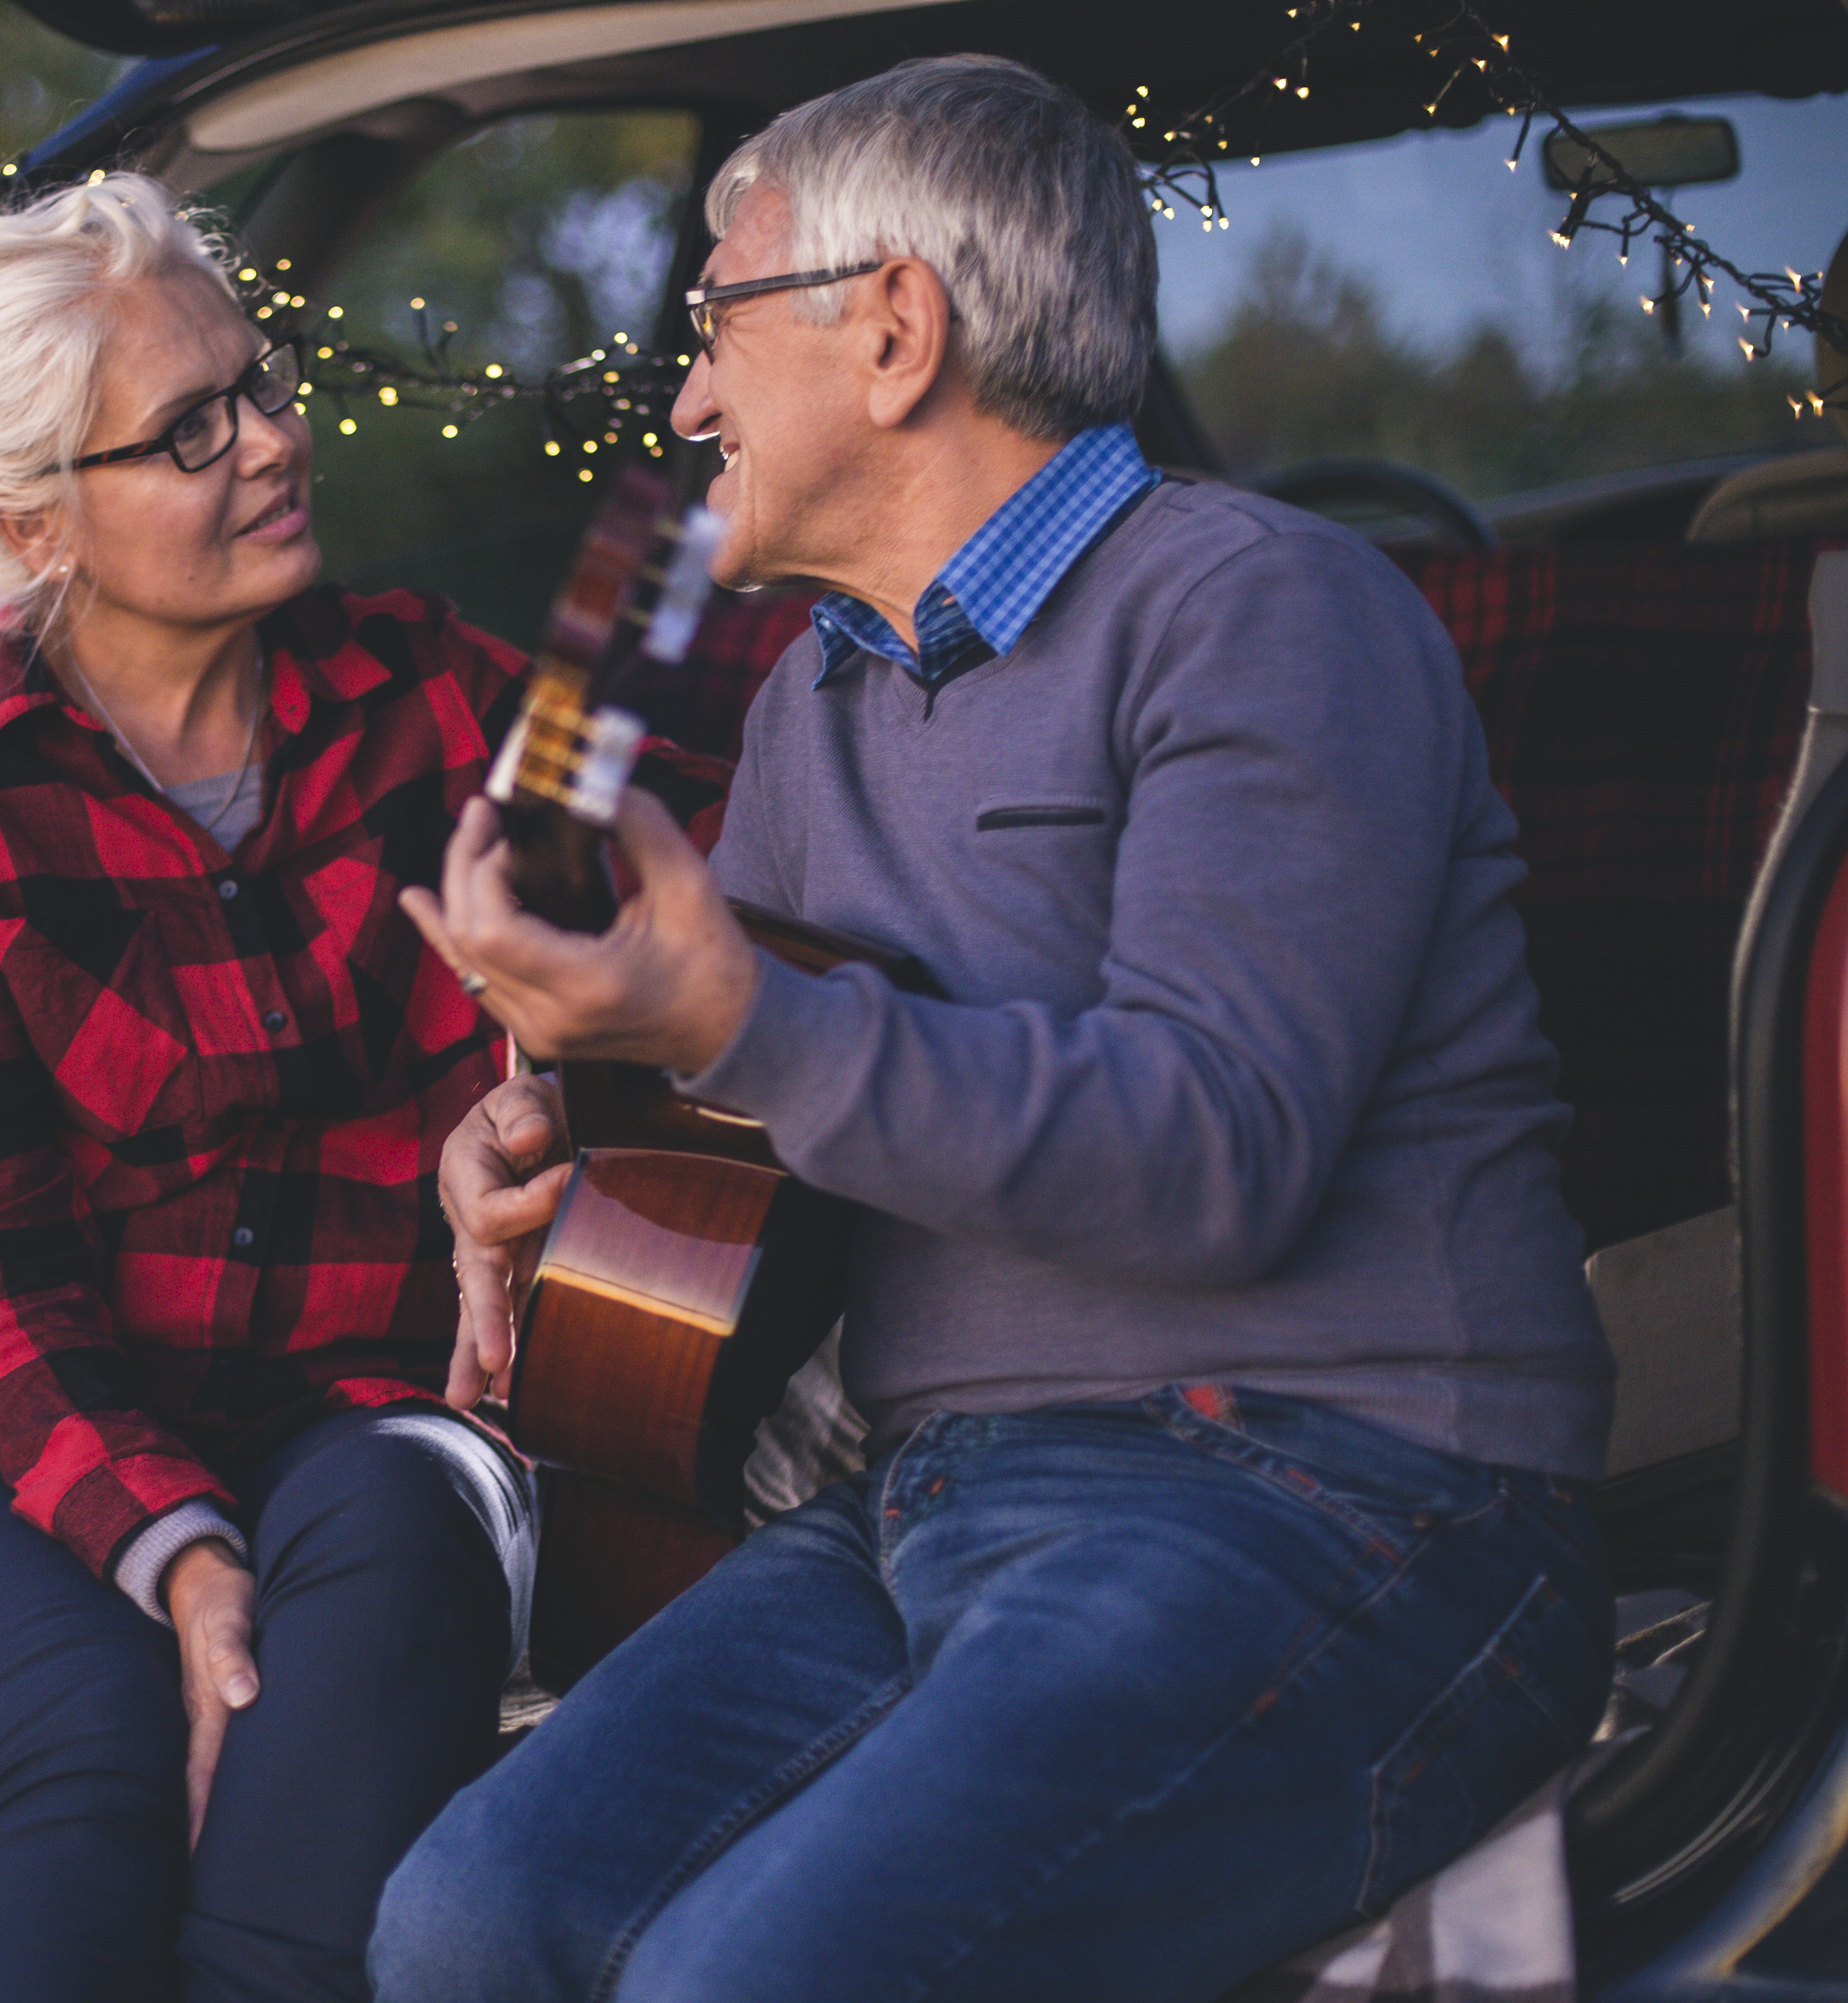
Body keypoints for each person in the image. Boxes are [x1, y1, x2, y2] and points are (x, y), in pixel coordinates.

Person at [372, 56, 1617, 2003]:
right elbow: (758, 1124)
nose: (685, 392)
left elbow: (1219, 1158)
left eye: (716, 321)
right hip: (932, 1496)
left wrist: (746, 1020)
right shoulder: (811, 705)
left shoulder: (1268, 609)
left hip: (1340, 1491)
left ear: (893, 332)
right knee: (458, 1926)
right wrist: (555, 1137)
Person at [0, 175, 536, 2003]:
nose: (278, 442)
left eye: (260, 385)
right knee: (86, 1771)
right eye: (193, 430)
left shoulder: (427, 684)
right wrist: (177, 1552)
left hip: (358, 1404)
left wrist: (544, 1097)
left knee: (313, 1780)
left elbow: (709, 796)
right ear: (40, 524)